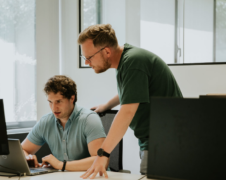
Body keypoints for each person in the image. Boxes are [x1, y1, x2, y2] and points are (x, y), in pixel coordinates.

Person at [78, 24, 183, 178]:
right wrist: (106, 105)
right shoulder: (127, 61)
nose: (87, 62)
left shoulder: (133, 63)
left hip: (165, 144)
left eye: (88, 57)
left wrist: (103, 155)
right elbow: (131, 92)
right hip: (157, 140)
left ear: (106, 51)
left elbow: (127, 112)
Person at [21, 75, 108, 171]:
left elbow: (101, 160)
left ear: (72, 98)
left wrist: (60, 165)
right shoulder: (46, 121)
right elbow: (22, 150)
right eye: (50, 102)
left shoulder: (89, 119)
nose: (54, 108)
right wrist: (27, 157)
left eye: (59, 101)